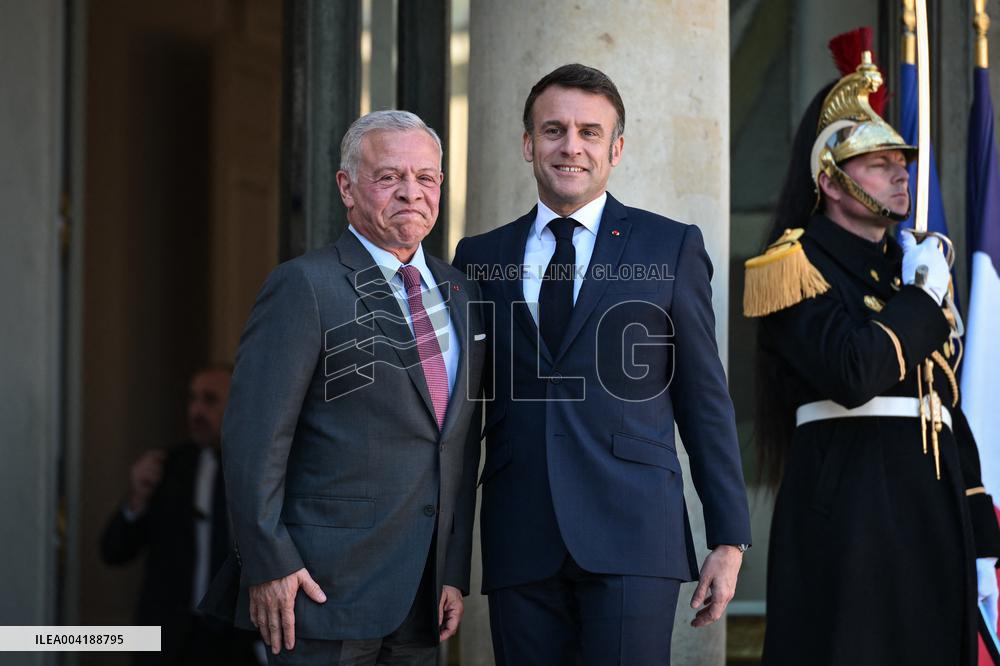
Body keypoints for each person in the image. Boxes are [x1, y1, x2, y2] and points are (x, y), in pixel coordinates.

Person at [452, 63, 752, 665]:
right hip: (520, 537)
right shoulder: (478, 257)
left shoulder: (669, 246)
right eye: (554, 129)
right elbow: (462, 424)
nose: (571, 146)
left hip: (635, 534)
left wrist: (729, 537)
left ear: (617, 148)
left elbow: (704, 398)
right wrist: (450, 562)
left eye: (590, 132)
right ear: (527, 143)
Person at [743, 31, 1000, 665]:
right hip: (853, 516)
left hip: (932, 514)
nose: (900, 170)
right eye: (879, 161)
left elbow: (944, 406)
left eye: (901, 160)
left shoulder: (905, 270)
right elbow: (853, 372)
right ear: (830, 181)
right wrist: (921, 301)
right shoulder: (792, 268)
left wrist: (982, 531)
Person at [200, 110, 486, 666]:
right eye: (389, 177)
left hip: (421, 598)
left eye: (425, 178)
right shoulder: (303, 286)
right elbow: (255, 439)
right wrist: (269, 563)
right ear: (346, 187)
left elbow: (458, 442)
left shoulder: (462, 293)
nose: (411, 192)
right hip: (318, 589)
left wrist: (451, 569)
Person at [101, 365, 262, 666]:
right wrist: (138, 499)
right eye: (192, 399)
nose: (196, 410)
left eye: (210, 400)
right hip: (174, 641)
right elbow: (113, 551)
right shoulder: (169, 467)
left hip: (243, 642)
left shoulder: (266, 470)